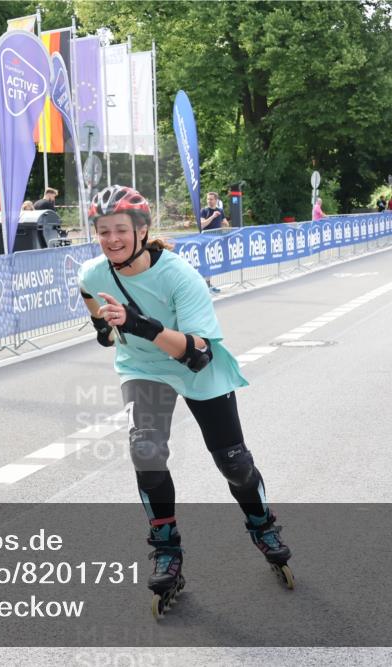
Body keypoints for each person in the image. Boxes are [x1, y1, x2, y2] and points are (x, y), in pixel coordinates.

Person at [78, 185, 294, 616]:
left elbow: (197, 354)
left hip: (196, 367)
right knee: (146, 450)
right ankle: (166, 548)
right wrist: (108, 328)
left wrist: (138, 323)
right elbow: (98, 320)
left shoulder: (179, 276)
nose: (112, 240)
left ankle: (262, 524)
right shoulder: (92, 274)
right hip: (145, 369)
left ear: (142, 230)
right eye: (103, 232)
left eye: (120, 229)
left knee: (233, 462)